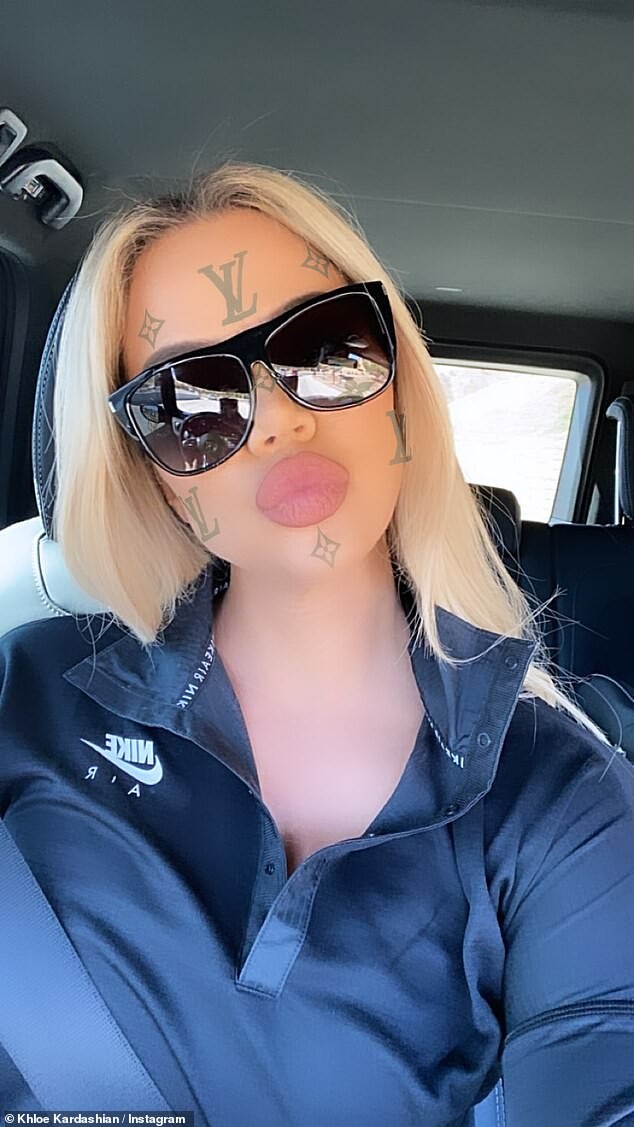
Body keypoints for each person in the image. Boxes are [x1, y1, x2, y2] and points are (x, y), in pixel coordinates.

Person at [0, 160, 633, 1124]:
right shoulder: (27, 694)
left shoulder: (560, 794)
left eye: (324, 350)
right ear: (150, 471)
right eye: (191, 402)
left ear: (398, 381)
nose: (280, 422)